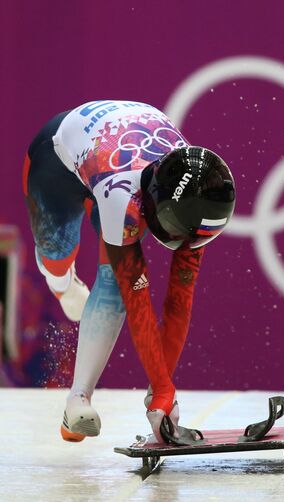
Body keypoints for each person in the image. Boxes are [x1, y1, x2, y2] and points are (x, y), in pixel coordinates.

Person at [23, 100, 235, 442]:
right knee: (58, 259)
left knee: (111, 283)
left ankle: (77, 400)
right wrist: (163, 388)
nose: (184, 244)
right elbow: (140, 306)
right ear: (153, 204)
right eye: (174, 233)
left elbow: (179, 300)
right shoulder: (122, 194)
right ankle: (61, 283)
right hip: (56, 163)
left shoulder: (199, 195)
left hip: (115, 152)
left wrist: (160, 392)